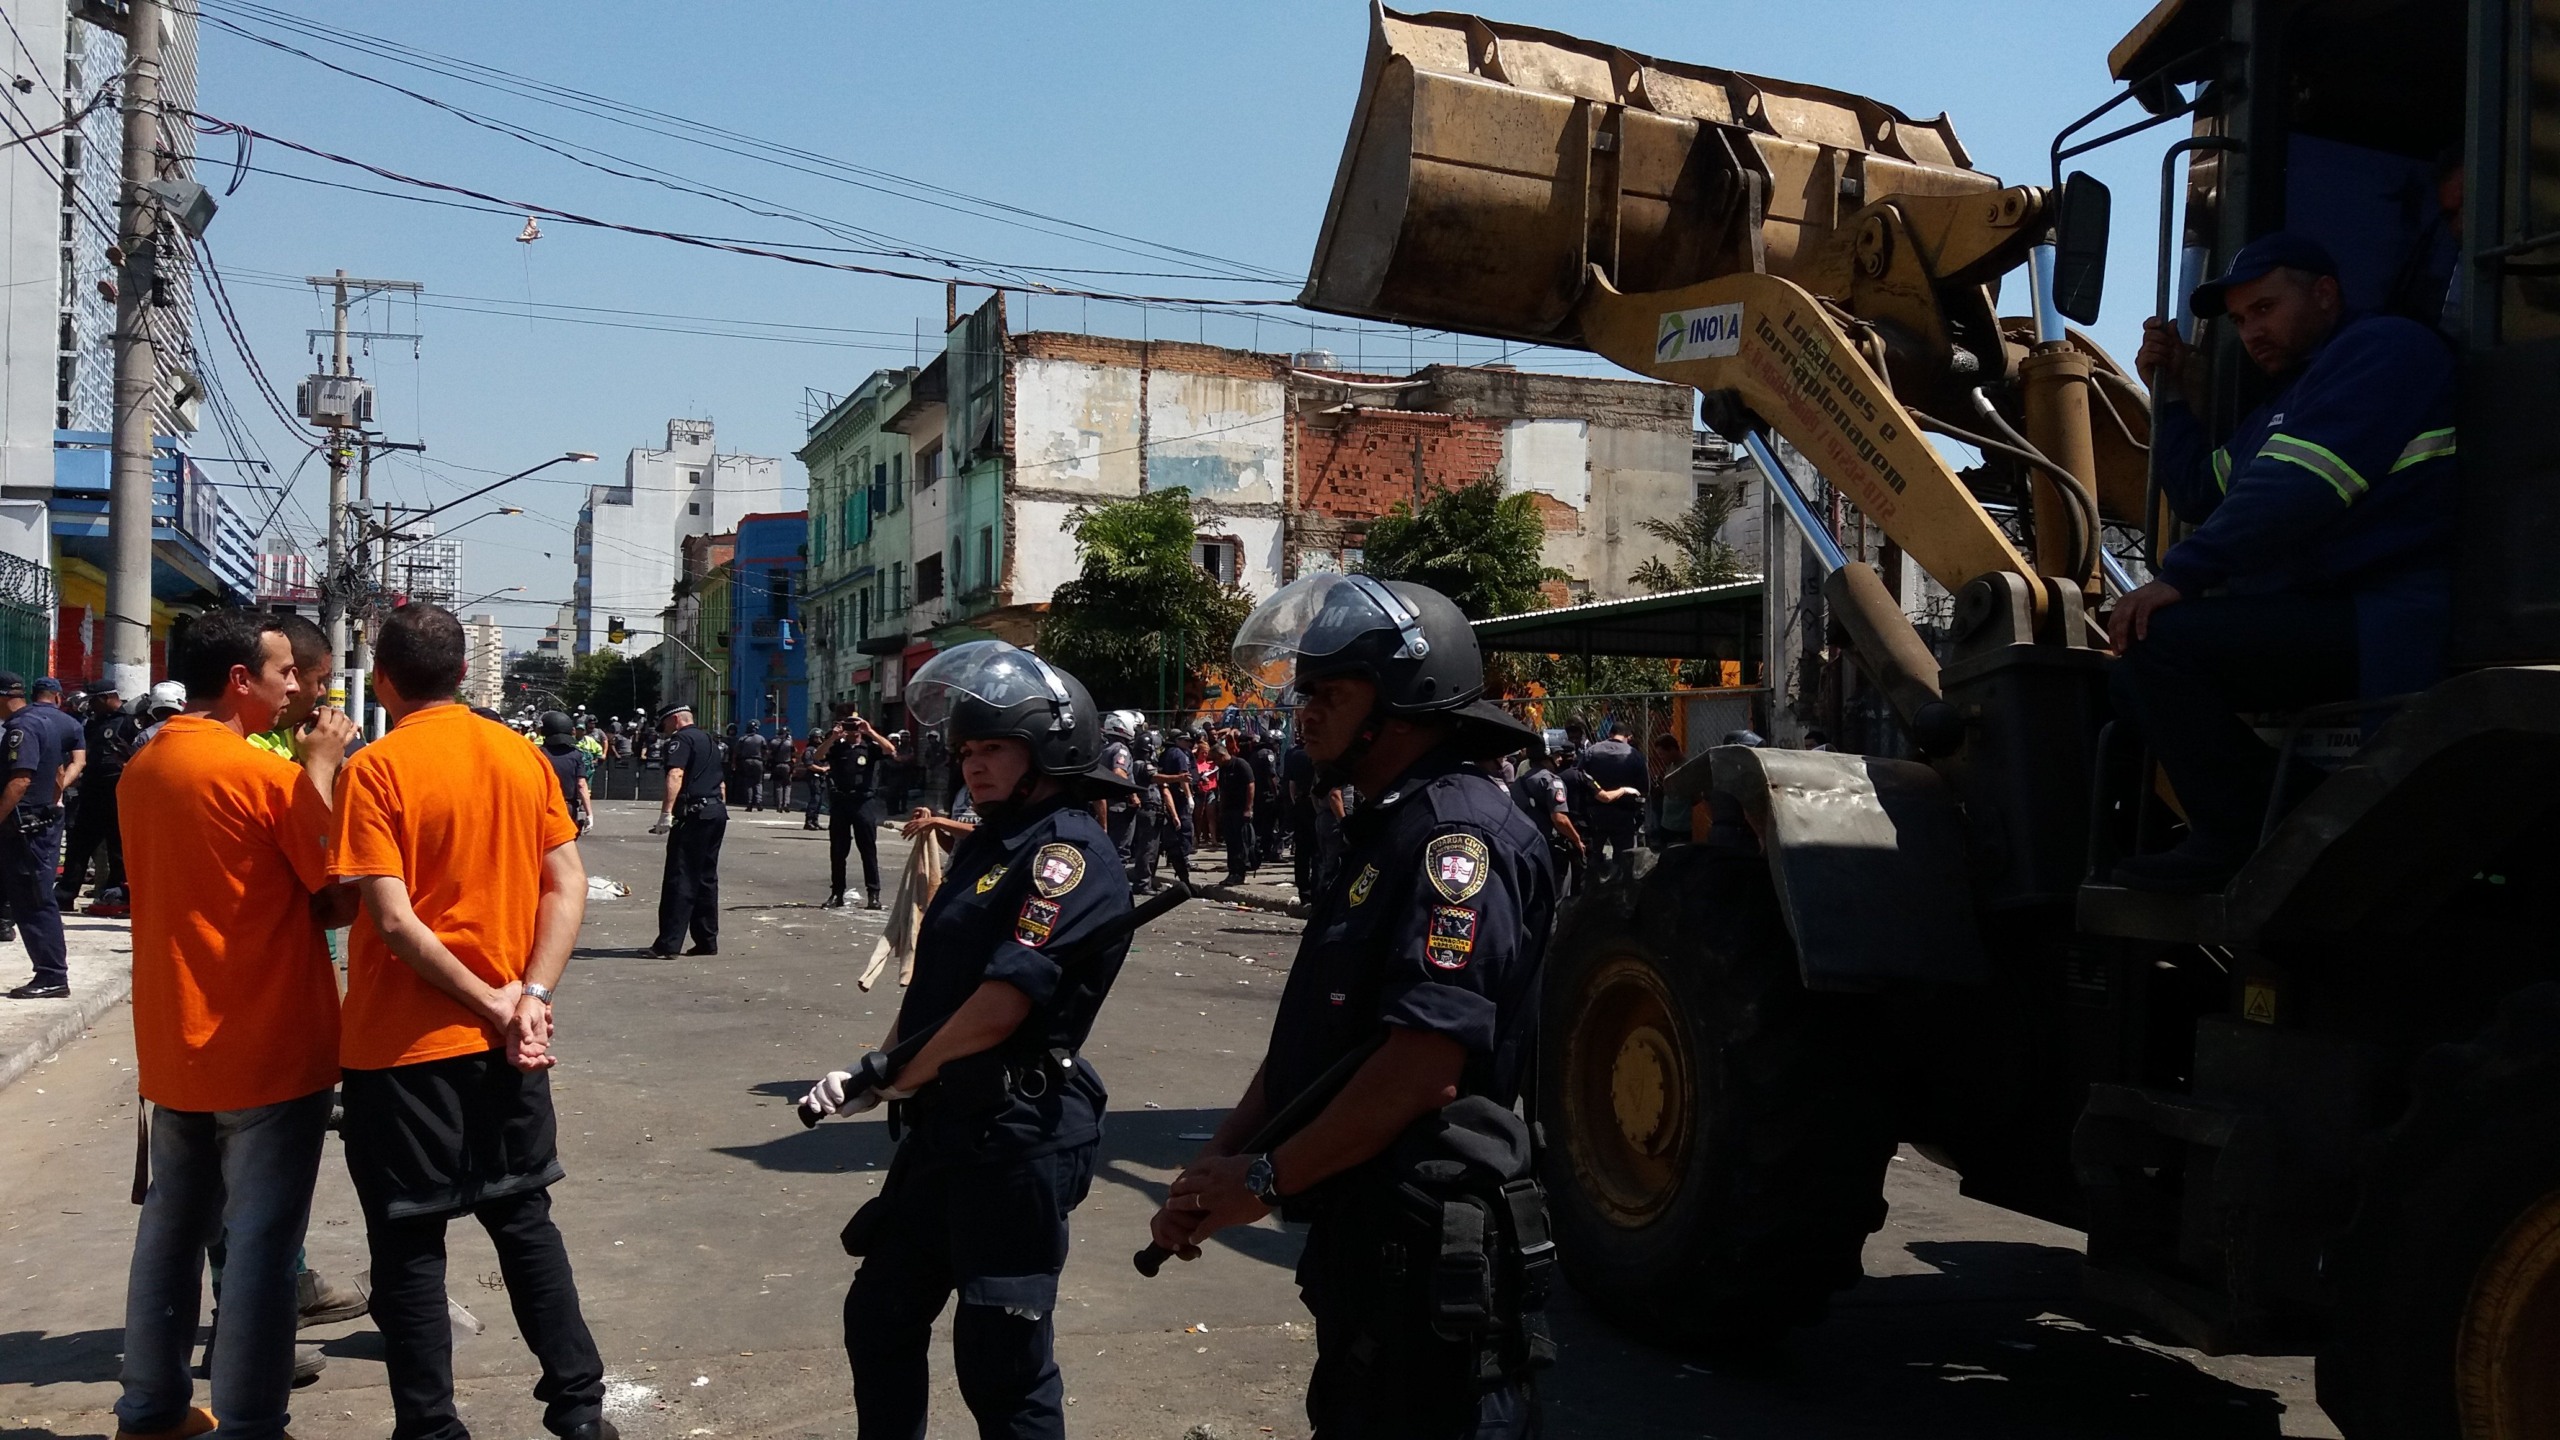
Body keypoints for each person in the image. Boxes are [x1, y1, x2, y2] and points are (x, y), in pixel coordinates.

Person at [1155, 574, 1553, 1438]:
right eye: (1303, 693)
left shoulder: (1459, 839)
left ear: (1405, 702)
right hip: (1364, 1243)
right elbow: (1317, 1046)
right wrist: (1216, 1164)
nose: (1305, 714)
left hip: (1425, 1246)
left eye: (1328, 695)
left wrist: (1261, 1179)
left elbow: (1422, 1066)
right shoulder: (1389, 828)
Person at [799, 640, 1133, 1440]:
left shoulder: (1066, 854)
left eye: (994, 750)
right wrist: (875, 1071)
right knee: (879, 1315)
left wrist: (891, 1071)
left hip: (1015, 1142)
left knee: (1001, 1367)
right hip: (944, 1133)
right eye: (968, 751)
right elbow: (935, 993)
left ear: (1049, 749)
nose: (975, 766)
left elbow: (1000, 1005)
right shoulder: (989, 840)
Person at [332, 604, 613, 1440]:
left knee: (410, 1245)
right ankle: (580, 1411)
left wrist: (500, 1001)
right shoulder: (521, 757)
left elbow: (390, 920)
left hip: (401, 1049)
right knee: (523, 1221)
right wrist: (531, 996)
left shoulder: (374, 769)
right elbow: (565, 883)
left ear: (382, 678)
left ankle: (431, 1427)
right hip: (506, 1045)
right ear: (461, 673)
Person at [2114, 232, 2458, 892]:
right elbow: (2197, 487)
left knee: (2162, 645)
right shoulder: (2282, 408)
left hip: (2385, 613)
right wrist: (2168, 391)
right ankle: (2298, 808)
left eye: (2265, 309)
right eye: (2242, 320)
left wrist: (2181, 576)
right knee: (2127, 681)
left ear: (2324, 295)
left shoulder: (2384, 350)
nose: (2251, 332)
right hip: (2327, 613)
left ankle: (2237, 836)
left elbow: (2297, 487)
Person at [113, 609, 357, 1440]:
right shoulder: (261, 776)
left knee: (171, 1236)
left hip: (175, 1045)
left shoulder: (143, 766)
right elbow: (336, 890)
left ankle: (149, 1408)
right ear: (239, 681)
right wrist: (322, 770)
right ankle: (254, 1422)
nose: (298, 687)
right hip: (265, 1044)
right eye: (284, 672)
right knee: (258, 1252)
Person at [1, 671, 76, 999]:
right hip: (38, 824)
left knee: (33, 901)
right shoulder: (48, 722)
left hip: (25, 828)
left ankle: (51, 975)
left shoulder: (22, 727)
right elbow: (60, 772)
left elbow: (20, 781)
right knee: (34, 898)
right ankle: (50, 972)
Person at [648, 702, 726, 956]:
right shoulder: (709, 740)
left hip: (693, 814)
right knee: (706, 878)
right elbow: (720, 780)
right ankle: (707, 940)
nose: (665, 730)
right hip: (715, 812)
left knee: (680, 878)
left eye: (665, 724)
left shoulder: (680, 740)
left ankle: (668, 945)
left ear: (675, 720)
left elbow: (676, 775)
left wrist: (665, 814)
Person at [59, 680, 139, 914]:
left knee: (118, 848)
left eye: (94, 700)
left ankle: (114, 895)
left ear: (106, 698)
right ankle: (65, 894)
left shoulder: (128, 722)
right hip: (91, 793)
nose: (91, 706)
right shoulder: (92, 723)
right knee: (79, 846)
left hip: (116, 793)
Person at [815, 709, 900, 910]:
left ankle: (874, 894)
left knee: (868, 849)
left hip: (864, 802)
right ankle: (837, 893)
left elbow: (890, 751)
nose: (853, 729)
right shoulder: (837, 747)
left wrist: (871, 732)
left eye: (856, 724)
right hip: (841, 802)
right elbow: (818, 756)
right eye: (849, 724)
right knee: (838, 851)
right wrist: (833, 737)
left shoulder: (869, 747)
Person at [1577, 719, 1647, 880]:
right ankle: (1620, 893)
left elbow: (1579, 777)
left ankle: (1591, 889)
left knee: (1593, 855)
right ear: (1628, 737)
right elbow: (1644, 789)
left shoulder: (1592, 751)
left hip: (1595, 812)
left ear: (1609, 734)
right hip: (1624, 814)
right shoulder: (1635, 756)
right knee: (1624, 858)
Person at [1512, 738, 1584, 894]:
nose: (1560, 759)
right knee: (1558, 894)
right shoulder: (1552, 782)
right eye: (1557, 755)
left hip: (1523, 846)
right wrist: (1577, 840)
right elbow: (1559, 819)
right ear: (1547, 755)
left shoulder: (1519, 782)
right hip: (1549, 848)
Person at [539, 712, 594, 834]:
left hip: (543, 807)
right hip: (567, 807)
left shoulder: (538, 754)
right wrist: (589, 814)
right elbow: (581, 784)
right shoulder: (576, 754)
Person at [1097, 710, 1141, 861]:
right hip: (1120, 807)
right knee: (1120, 852)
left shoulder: (1103, 748)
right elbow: (1119, 772)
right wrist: (1133, 794)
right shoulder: (1120, 749)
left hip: (1104, 805)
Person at [1216, 738, 1256, 886]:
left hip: (1240, 810)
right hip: (1228, 810)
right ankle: (1232, 872)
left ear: (1221, 755)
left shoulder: (1240, 764)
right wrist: (1221, 809)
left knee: (1241, 843)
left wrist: (1248, 808)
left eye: (1215, 759)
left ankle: (1240, 873)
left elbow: (1250, 786)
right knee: (1231, 843)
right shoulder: (1224, 768)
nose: (1214, 763)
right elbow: (1223, 790)